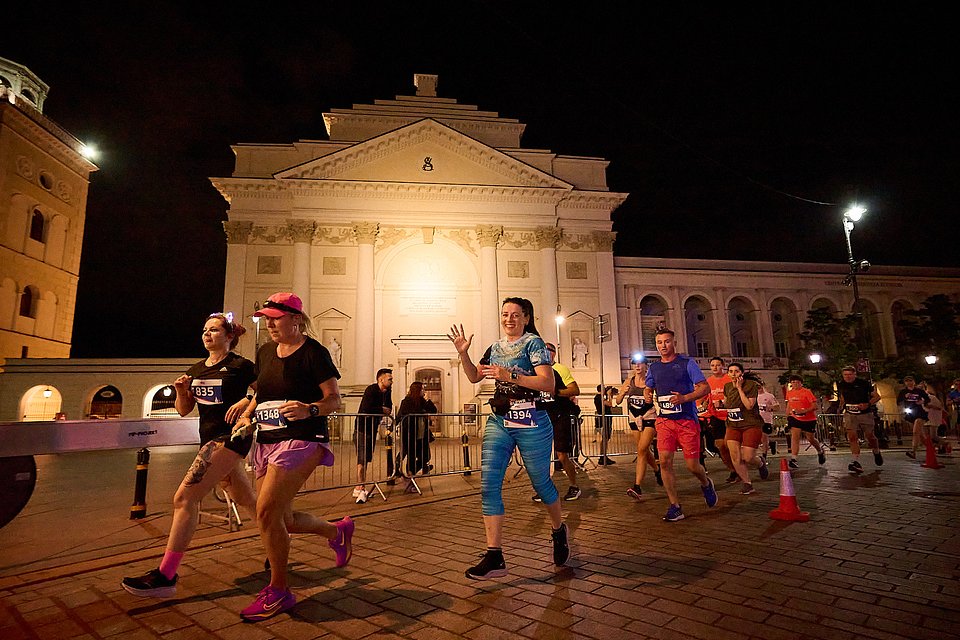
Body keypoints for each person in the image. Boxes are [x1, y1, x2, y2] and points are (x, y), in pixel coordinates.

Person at [232, 292, 352, 621]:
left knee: (266, 511)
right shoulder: (265, 352)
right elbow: (261, 392)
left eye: (276, 318)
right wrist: (247, 414)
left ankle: (279, 590)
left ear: (296, 319)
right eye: (266, 319)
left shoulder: (315, 353)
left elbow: (334, 399)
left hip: (303, 438)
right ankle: (337, 532)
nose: (270, 324)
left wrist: (309, 408)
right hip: (267, 439)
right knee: (280, 520)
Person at [122, 313, 257, 598]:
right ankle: (285, 538)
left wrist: (246, 401)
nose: (207, 334)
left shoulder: (240, 366)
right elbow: (184, 410)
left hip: (230, 439)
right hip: (208, 439)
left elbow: (266, 390)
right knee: (249, 501)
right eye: (205, 330)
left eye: (214, 330)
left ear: (229, 336)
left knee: (184, 498)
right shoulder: (196, 370)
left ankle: (166, 575)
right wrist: (181, 391)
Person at [447, 297, 570, 579]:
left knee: (541, 483)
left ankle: (558, 530)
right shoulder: (495, 348)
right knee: (489, 483)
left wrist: (510, 375)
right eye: (505, 314)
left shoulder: (533, 344)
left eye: (515, 315)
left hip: (532, 420)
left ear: (526, 318)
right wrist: (463, 354)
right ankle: (494, 555)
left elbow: (548, 383)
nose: (509, 319)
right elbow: (474, 377)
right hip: (500, 420)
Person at [642, 328, 718, 521]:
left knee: (692, 466)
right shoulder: (654, 367)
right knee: (664, 461)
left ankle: (706, 483)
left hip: (686, 421)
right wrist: (647, 393)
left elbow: (705, 388)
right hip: (664, 421)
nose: (663, 346)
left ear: (674, 343)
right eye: (659, 342)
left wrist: (684, 398)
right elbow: (648, 387)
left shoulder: (686, 363)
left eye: (666, 341)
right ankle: (675, 506)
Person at [536, 342, 582, 501]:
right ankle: (544, 489)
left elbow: (575, 390)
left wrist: (555, 391)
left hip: (559, 416)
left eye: (547, 350)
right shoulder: (535, 370)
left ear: (553, 353)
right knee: (541, 456)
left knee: (562, 455)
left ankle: (574, 486)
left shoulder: (560, 369)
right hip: (542, 418)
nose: (543, 353)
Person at [615, 356, 661, 499]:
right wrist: (623, 393)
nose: (637, 366)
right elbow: (617, 401)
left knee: (641, 449)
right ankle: (657, 469)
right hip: (634, 418)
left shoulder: (651, 381)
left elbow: (660, 396)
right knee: (643, 450)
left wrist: (651, 397)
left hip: (649, 417)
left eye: (640, 363)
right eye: (635, 363)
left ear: (646, 366)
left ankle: (637, 486)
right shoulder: (629, 381)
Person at [721, 363, 769, 494]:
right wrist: (720, 404)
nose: (733, 374)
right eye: (731, 371)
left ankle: (760, 463)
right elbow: (727, 403)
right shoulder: (727, 386)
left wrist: (739, 389)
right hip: (733, 424)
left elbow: (749, 405)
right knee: (735, 455)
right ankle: (747, 483)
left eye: (736, 371)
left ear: (741, 373)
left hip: (750, 424)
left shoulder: (750, 385)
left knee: (748, 457)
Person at [354, 368, 393, 504]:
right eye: (389, 379)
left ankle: (360, 486)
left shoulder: (387, 392)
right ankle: (360, 487)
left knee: (366, 458)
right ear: (381, 379)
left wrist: (384, 409)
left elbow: (389, 408)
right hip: (362, 428)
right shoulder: (371, 390)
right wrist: (382, 409)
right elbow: (367, 408)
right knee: (362, 458)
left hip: (372, 428)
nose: (391, 381)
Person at [835, 366, 883, 471]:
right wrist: (841, 406)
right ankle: (855, 461)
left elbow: (877, 396)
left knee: (870, 436)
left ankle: (876, 451)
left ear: (854, 374)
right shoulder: (841, 384)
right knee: (852, 437)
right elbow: (842, 397)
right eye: (845, 375)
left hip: (864, 413)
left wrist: (867, 404)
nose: (847, 377)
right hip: (850, 413)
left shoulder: (864, 383)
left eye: (850, 374)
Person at [395, 381, 437, 479]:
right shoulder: (407, 401)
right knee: (410, 454)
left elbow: (433, 410)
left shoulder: (422, 401)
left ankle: (413, 470)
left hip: (422, 433)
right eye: (422, 389)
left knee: (426, 456)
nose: (424, 391)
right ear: (417, 390)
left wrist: (428, 400)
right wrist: (391, 426)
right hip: (410, 433)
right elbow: (401, 414)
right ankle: (408, 473)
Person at [705, 357, 738, 483]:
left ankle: (740, 467)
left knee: (729, 444)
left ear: (723, 366)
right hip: (716, 417)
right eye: (712, 365)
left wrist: (724, 403)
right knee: (720, 446)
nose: (715, 367)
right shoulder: (709, 381)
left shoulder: (729, 379)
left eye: (717, 365)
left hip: (730, 416)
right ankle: (733, 470)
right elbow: (707, 397)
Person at [785, 375, 827, 470]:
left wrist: (804, 411)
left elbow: (815, 406)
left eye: (797, 382)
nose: (795, 384)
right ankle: (794, 459)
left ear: (801, 383)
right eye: (793, 382)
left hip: (809, 419)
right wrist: (787, 414)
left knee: (810, 438)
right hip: (795, 418)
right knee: (795, 437)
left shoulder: (807, 392)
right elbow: (789, 404)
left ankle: (820, 451)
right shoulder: (789, 393)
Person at [897, 375, 930, 460]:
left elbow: (927, 399)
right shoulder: (903, 392)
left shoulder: (919, 391)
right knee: (921, 435)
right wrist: (905, 397)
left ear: (914, 382)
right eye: (907, 381)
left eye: (910, 380)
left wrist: (922, 401)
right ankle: (932, 448)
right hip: (910, 414)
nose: (909, 382)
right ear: (905, 383)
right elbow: (899, 401)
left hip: (919, 413)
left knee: (915, 432)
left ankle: (913, 451)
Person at [757, 382, 781, 457]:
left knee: (764, 437)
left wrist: (770, 407)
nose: (758, 387)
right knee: (757, 438)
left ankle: (764, 456)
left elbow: (777, 407)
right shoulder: (752, 396)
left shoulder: (769, 396)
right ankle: (771, 443)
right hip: (755, 421)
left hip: (766, 420)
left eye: (759, 385)